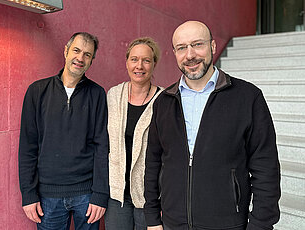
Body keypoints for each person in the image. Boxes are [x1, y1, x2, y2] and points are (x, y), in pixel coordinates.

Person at [144, 21, 281, 230]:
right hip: (173, 223)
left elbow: (266, 168)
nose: (190, 55)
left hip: (227, 224)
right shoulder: (164, 101)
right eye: (182, 48)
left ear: (213, 47)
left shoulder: (247, 97)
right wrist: (153, 218)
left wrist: (260, 224)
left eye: (197, 44)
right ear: (174, 53)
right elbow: (153, 162)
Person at [18, 32, 109, 230]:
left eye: (87, 54)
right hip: (47, 196)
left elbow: (102, 147)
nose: (80, 58)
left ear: (92, 61)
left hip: (87, 195)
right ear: (66, 51)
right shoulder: (37, 91)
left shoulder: (98, 94)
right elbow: (27, 146)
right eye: (76, 50)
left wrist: (101, 195)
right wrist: (28, 194)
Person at [104, 37, 163, 230]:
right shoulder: (113, 95)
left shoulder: (165, 100)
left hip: (151, 196)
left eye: (146, 60)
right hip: (117, 194)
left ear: (154, 64)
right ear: (127, 62)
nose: (140, 65)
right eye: (134, 59)